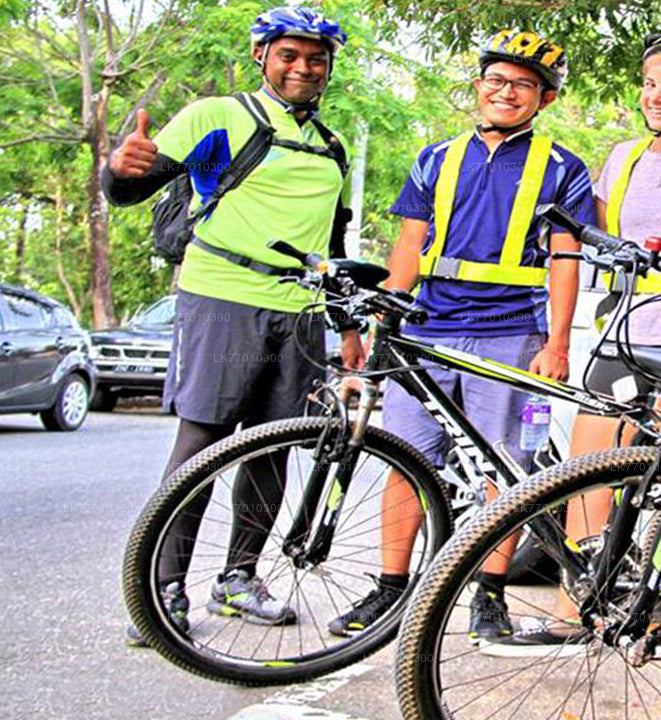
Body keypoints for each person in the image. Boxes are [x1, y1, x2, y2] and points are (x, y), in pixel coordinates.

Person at [479, 31, 661, 658]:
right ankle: (573, 609)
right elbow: (589, 242)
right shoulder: (623, 157)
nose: (656, 96)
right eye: (650, 83)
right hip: (623, 333)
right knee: (589, 471)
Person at [323, 29, 595, 643]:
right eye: (496, 80)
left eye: (523, 85)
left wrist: (557, 344)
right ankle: (391, 589)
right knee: (407, 460)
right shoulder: (436, 158)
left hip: (512, 335)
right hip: (426, 331)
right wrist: (384, 319)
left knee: (508, 466)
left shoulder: (563, 168)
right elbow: (409, 246)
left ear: (546, 98)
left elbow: (565, 259)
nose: (506, 92)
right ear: (478, 86)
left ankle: (489, 598)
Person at [103, 6, 365, 646]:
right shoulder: (218, 116)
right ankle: (162, 591)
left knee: (274, 447)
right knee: (202, 444)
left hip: (299, 311)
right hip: (222, 298)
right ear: (261, 56)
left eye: (316, 59)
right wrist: (119, 169)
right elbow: (131, 190)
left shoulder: (330, 145)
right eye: (289, 55)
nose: (303, 68)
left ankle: (239, 578)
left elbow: (330, 246)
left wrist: (345, 327)